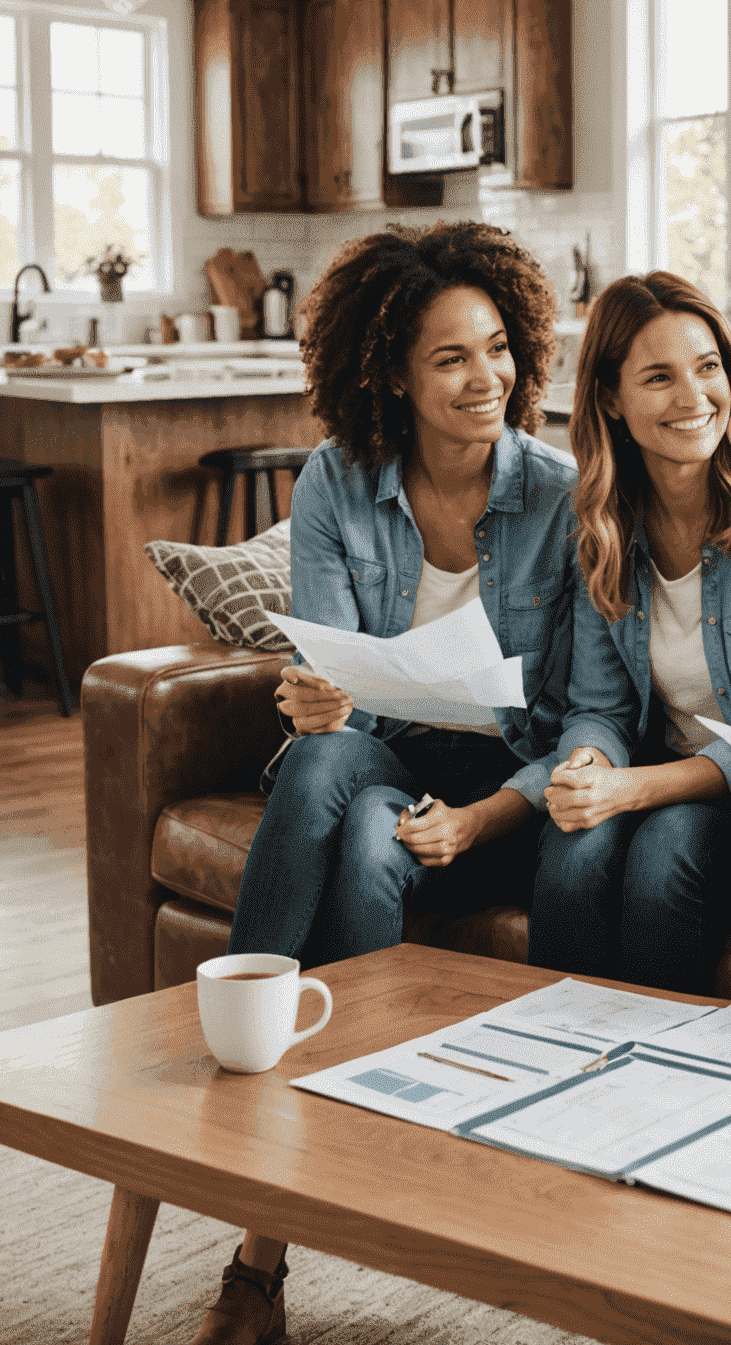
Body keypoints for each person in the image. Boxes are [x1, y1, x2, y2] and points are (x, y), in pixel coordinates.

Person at [193, 221, 576, 1345]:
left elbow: (583, 716)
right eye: (450, 358)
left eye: (497, 347)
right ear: (393, 376)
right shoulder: (338, 480)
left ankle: (258, 1218)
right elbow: (331, 669)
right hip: (382, 745)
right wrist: (321, 698)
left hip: (507, 780)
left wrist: (482, 811)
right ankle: (285, 1093)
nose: (484, 378)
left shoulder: (558, 495)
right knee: (321, 760)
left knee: (366, 838)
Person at [527, 271, 731, 993]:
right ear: (611, 399)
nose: (692, 398)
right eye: (658, 377)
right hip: (657, 780)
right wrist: (587, 763)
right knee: (571, 843)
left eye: (707, 368)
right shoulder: (604, 525)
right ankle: (549, 1061)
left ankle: (664, 1079)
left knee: (665, 847)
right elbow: (600, 706)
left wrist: (628, 789)